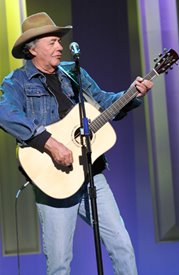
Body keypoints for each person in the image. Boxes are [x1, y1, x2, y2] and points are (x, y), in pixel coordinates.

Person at [0, 12, 153, 275]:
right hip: (54, 183)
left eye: (59, 41)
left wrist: (133, 94)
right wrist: (48, 142)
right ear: (32, 48)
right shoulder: (17, 82)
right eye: (52, 42)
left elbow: (104, 103)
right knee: (60, 264)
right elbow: (5, 112)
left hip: (92, 175)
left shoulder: (74, 73)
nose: (60, 46)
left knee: (122, 246)